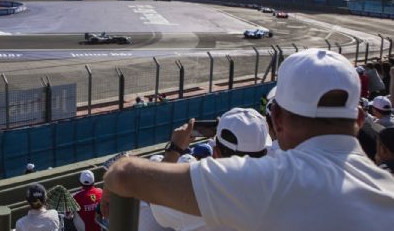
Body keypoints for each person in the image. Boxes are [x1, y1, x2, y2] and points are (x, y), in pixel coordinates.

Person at [102, 48, 394, 231]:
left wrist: (175, 148)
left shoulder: (266, 183)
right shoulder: (387, 190)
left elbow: (125, 175)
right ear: (359, 118)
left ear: (276, 120)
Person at [151, 107, 271, 231]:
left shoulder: (200, 199)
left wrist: (175, 148)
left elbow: (156, 201)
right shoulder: (282, 186)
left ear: (216, 153)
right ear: (265, 152)